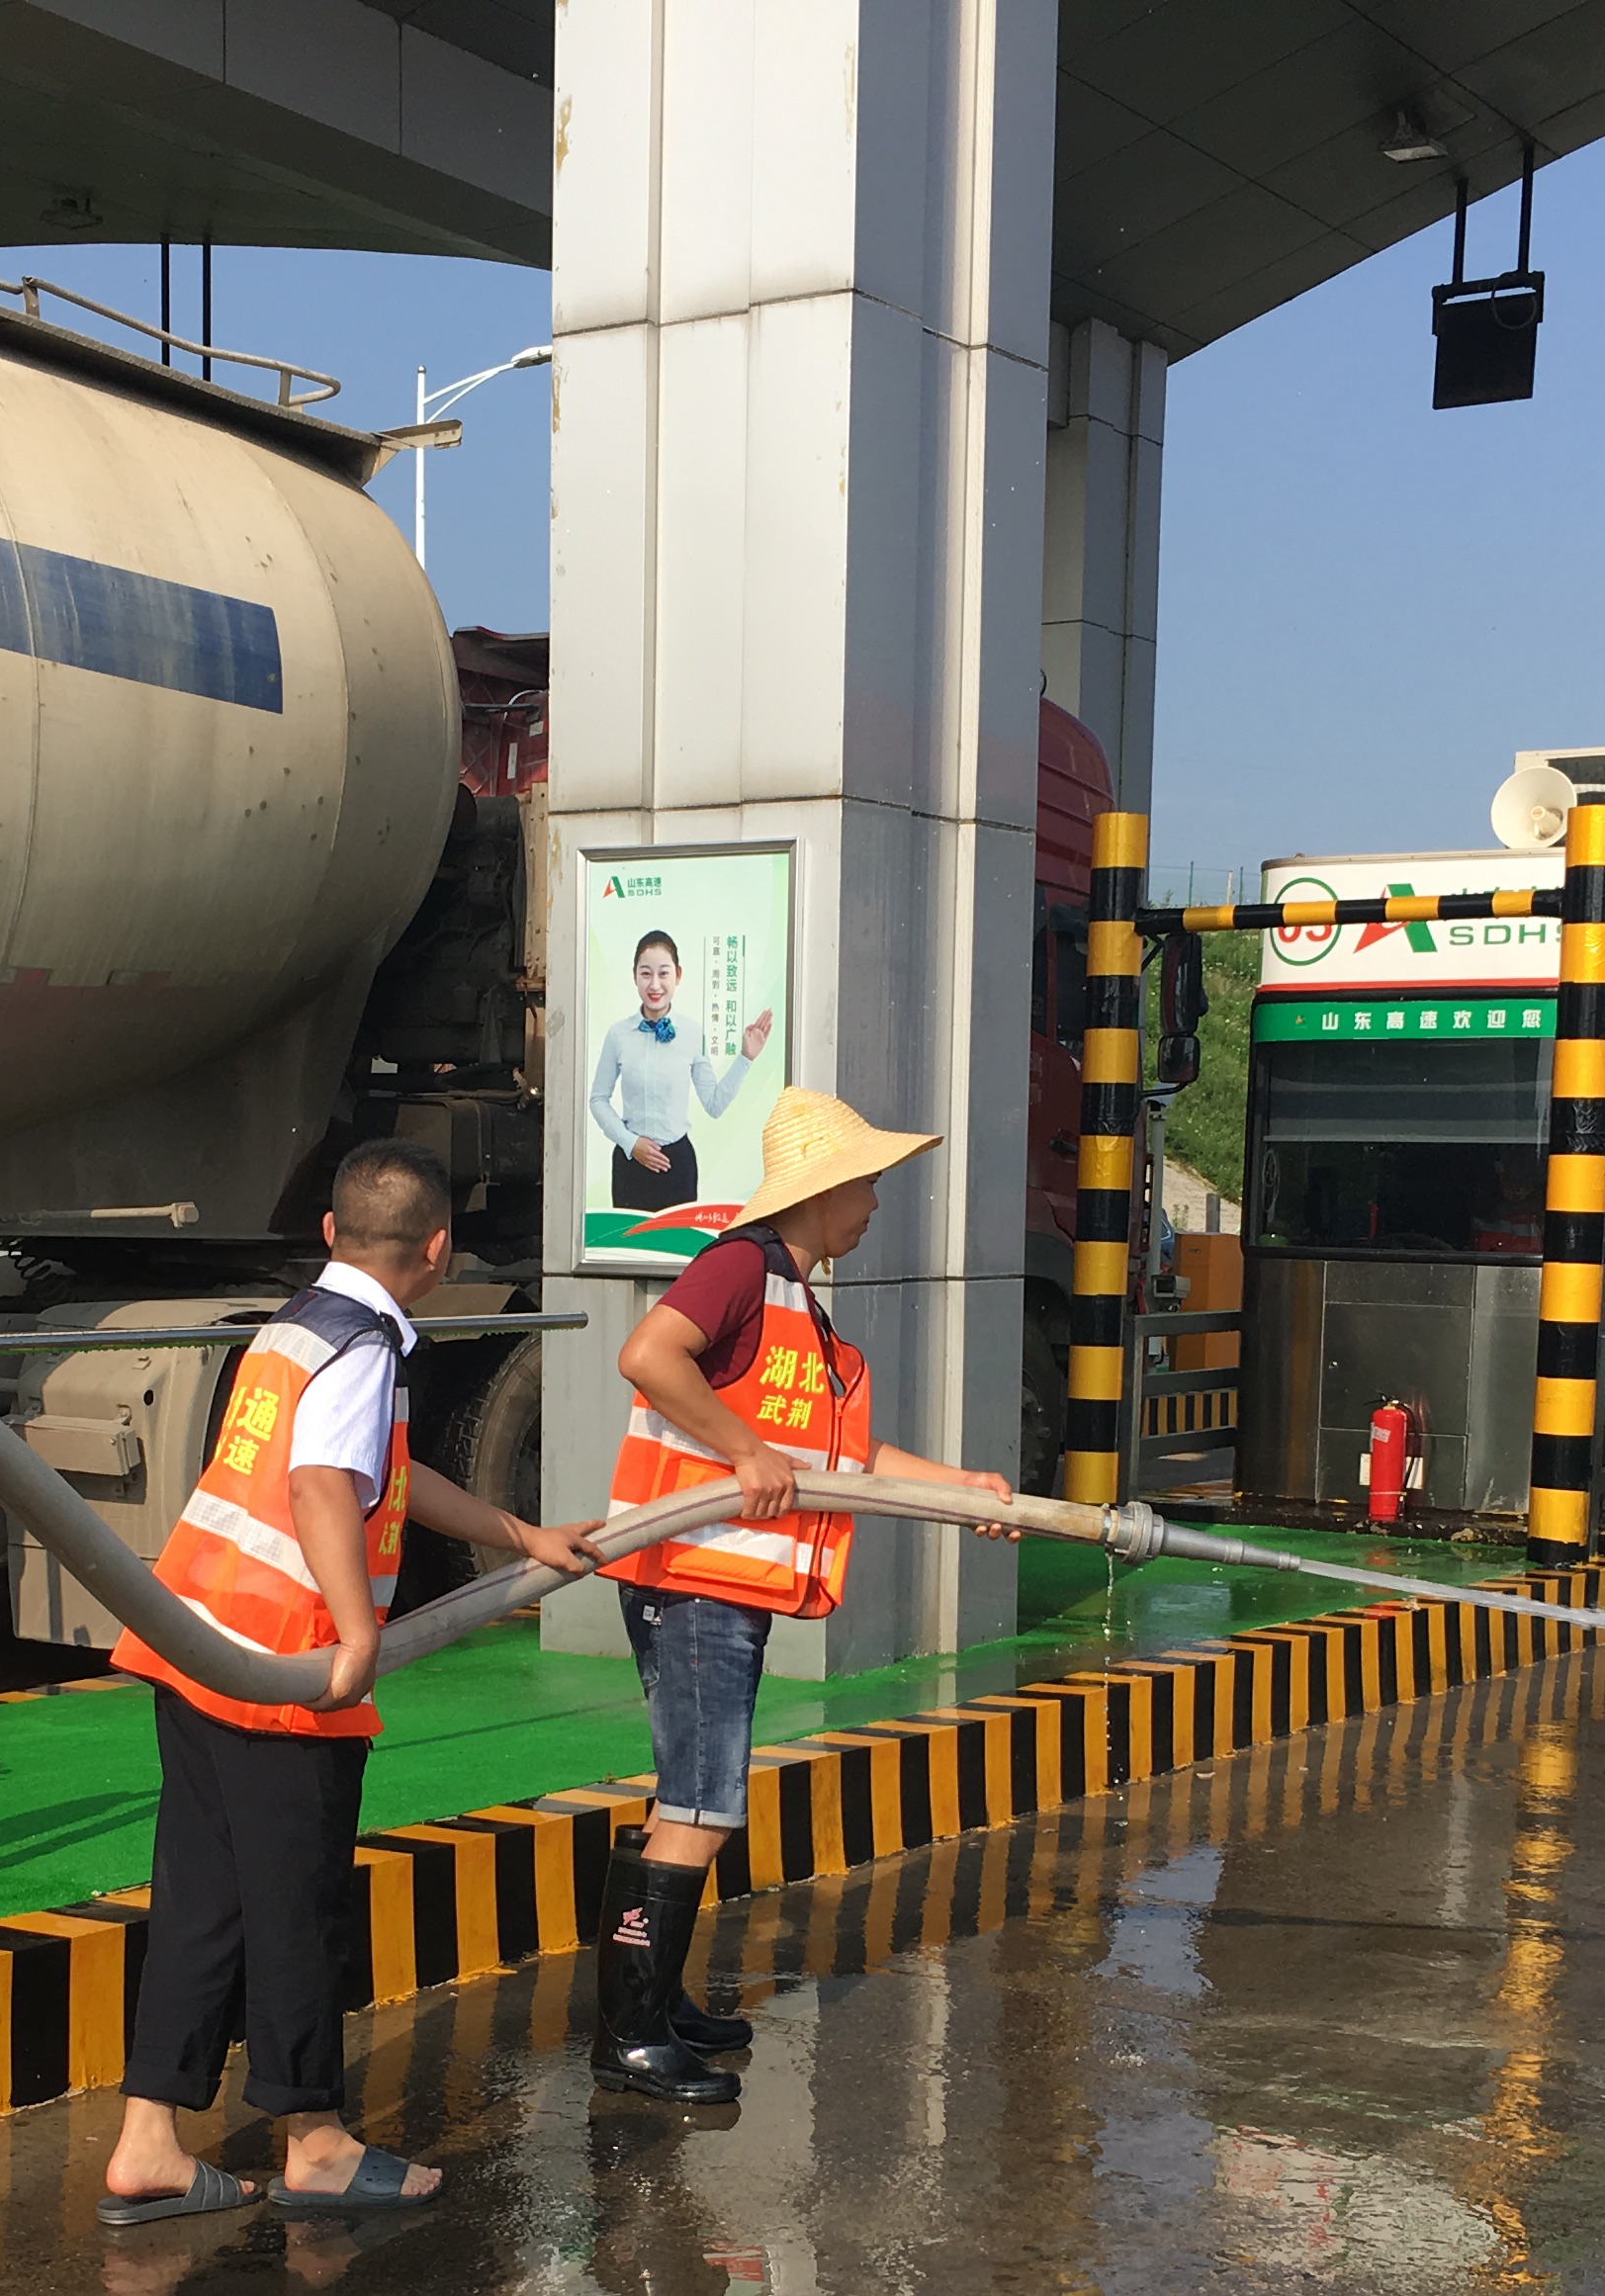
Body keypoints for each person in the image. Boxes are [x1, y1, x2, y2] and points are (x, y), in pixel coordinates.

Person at [99, 1140, 601, 2220]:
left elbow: (387, 1471)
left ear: (331, 1232)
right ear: (439, 1250)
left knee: (202, 1903)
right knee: (299, 1913)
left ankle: (148, 2140)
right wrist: (360, 1632)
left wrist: (523, 1535)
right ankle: (316, 2143)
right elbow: (325, 1481)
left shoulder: (294, 1327)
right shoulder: (364, 1347)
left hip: (200, 1649)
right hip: (287, 1671)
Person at [594, 1089, 1013, 2101]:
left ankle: (654, 2005)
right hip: (693, 1579)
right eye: (867, 1184)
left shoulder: (793, 1300)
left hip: (716, 1583)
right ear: (822, 1191)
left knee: (685, 1799)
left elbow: (841, 1460)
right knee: (701, 1807)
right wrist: (745, 1452)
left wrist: (961, 1489)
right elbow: (646, 1356)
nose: (875, 1204)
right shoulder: (742, 1266)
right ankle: (630, 2037)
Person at [587, 927, 773, 1214]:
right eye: (646, 973)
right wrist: (630, 1143)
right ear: (634, 976)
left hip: (678, 1165)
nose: (655, 984)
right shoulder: (618, 1035)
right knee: (630, 1242)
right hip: (630, 1163)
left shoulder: (691, 1033)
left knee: (676, 1243)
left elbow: (714, 1104)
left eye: (663, 973)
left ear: (678, 975)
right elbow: (598, 1099)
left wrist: (746, 1058)